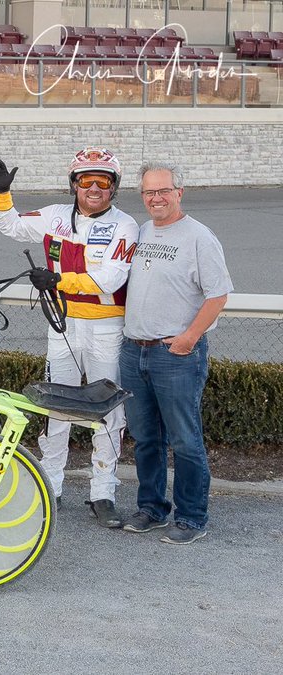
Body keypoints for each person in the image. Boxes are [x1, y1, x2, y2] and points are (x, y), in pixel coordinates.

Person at [0, 148, 139, 528]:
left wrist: (58, 280)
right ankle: (50, 485)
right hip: (63, 325)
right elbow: (12, 227)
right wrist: (2, 195)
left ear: (114, 188)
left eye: (104, 181)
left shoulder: (126, 225)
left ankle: (102, 491)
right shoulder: (55, 216)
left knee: (107, 411)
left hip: (107, 329)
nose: (94, 188)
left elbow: (111, 279)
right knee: (56, 407)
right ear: (74, 184)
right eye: (86, 180)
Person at [120, 163, 233, 545]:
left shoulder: (200, 237)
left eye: (163, 191)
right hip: (134, 352)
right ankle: (152, 508)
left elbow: (218, 294)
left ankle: (191, 517)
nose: (156, 198)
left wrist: (188, 338)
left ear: (179, 192)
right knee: (146, 437)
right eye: (149, 192)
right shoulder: (141, 232)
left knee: (185, 439)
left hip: (176, 354)